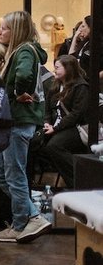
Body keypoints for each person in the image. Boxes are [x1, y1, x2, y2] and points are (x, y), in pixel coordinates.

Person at [0, 11, 52, 243]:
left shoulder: (24, 50)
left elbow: (24, 75)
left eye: (4, 28)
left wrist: (18, 92)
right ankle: (33, 216)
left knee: (14, 174)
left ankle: (19, 225)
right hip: (14, 122)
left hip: (18, 121)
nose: (0, 31)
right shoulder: (23, 50)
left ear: (15, 30)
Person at [31, 54, 90, 189]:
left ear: (68, 69)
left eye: (57, 67)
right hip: (56, 126)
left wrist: (55, 128)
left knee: (54, 146)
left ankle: (82, 176)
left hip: (75, 128)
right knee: (34, 142)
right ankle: (35, 184)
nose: (54, 70)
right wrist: (47, 123)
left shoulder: (81, 87)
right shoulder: (55, 86)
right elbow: (47, 108)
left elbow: (76, 114)